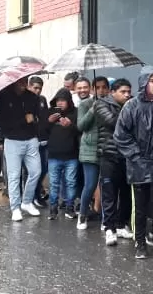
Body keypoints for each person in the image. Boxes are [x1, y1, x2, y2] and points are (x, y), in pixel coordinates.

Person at [114, 67, 153, 259]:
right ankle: (140, 242)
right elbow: (120, 135)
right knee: (141, 205)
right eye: (152, 80)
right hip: (139, 163)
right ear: (144, 82)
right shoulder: (132, 106)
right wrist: (136, 155)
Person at [0, 76, 45, 222]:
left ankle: (27, 202)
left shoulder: (32, 97)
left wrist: (35, 120)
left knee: (36, 171)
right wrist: (24, 120)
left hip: (31, 139)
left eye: (25, 81)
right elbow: (3, 123)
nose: (22, 84)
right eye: (20, 81)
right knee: (14, 176)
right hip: (12, 141)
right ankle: (15, 207)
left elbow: (39, 117)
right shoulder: (4, 97)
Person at [96, 78, 133, 245]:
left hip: (126, 155)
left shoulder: (131, 104)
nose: (127, 95)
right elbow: (113, 122)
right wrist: (127, 111)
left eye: (128, 92)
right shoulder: (101, 104)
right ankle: (109, 227)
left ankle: (121, 224)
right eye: (123, 92)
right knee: (109, 193)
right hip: (108, 155)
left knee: (125, 192)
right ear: (113, 92)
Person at [76, 77, 106, 229]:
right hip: (89, 151)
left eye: (104, 87)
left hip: (107, 149)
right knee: (90, 185)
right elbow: (81, 126)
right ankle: (82, 215)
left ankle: (105, 219)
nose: (101, 90)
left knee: (107, 185)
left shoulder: (110, 104)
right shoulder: (85, 104)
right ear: (93, 89)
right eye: (98, 87)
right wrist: (93, 109)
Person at [46, 88, 80, 220]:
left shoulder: (75, 112)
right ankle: (53, 209)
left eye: (63, 100)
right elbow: (43, 130)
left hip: (71, 155)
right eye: (58, 100)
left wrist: (70, 125)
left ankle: (69, 207)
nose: (60, 103)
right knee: (54, 183)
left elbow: (80, 130)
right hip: (54, 155)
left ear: (69, 101)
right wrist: (49, 122)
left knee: (71, 182)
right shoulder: (51, 112)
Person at [28, 76, 51, 207]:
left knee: (43, 170)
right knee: (33, 171)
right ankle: (31, 197)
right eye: (35, 88)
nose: (37, 91)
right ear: (29, 86)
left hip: (44, 140)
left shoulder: (42, 100)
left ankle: (38, 194)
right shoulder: (25, 101)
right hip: (31, 141)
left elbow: (45, 118)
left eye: (40, 88)